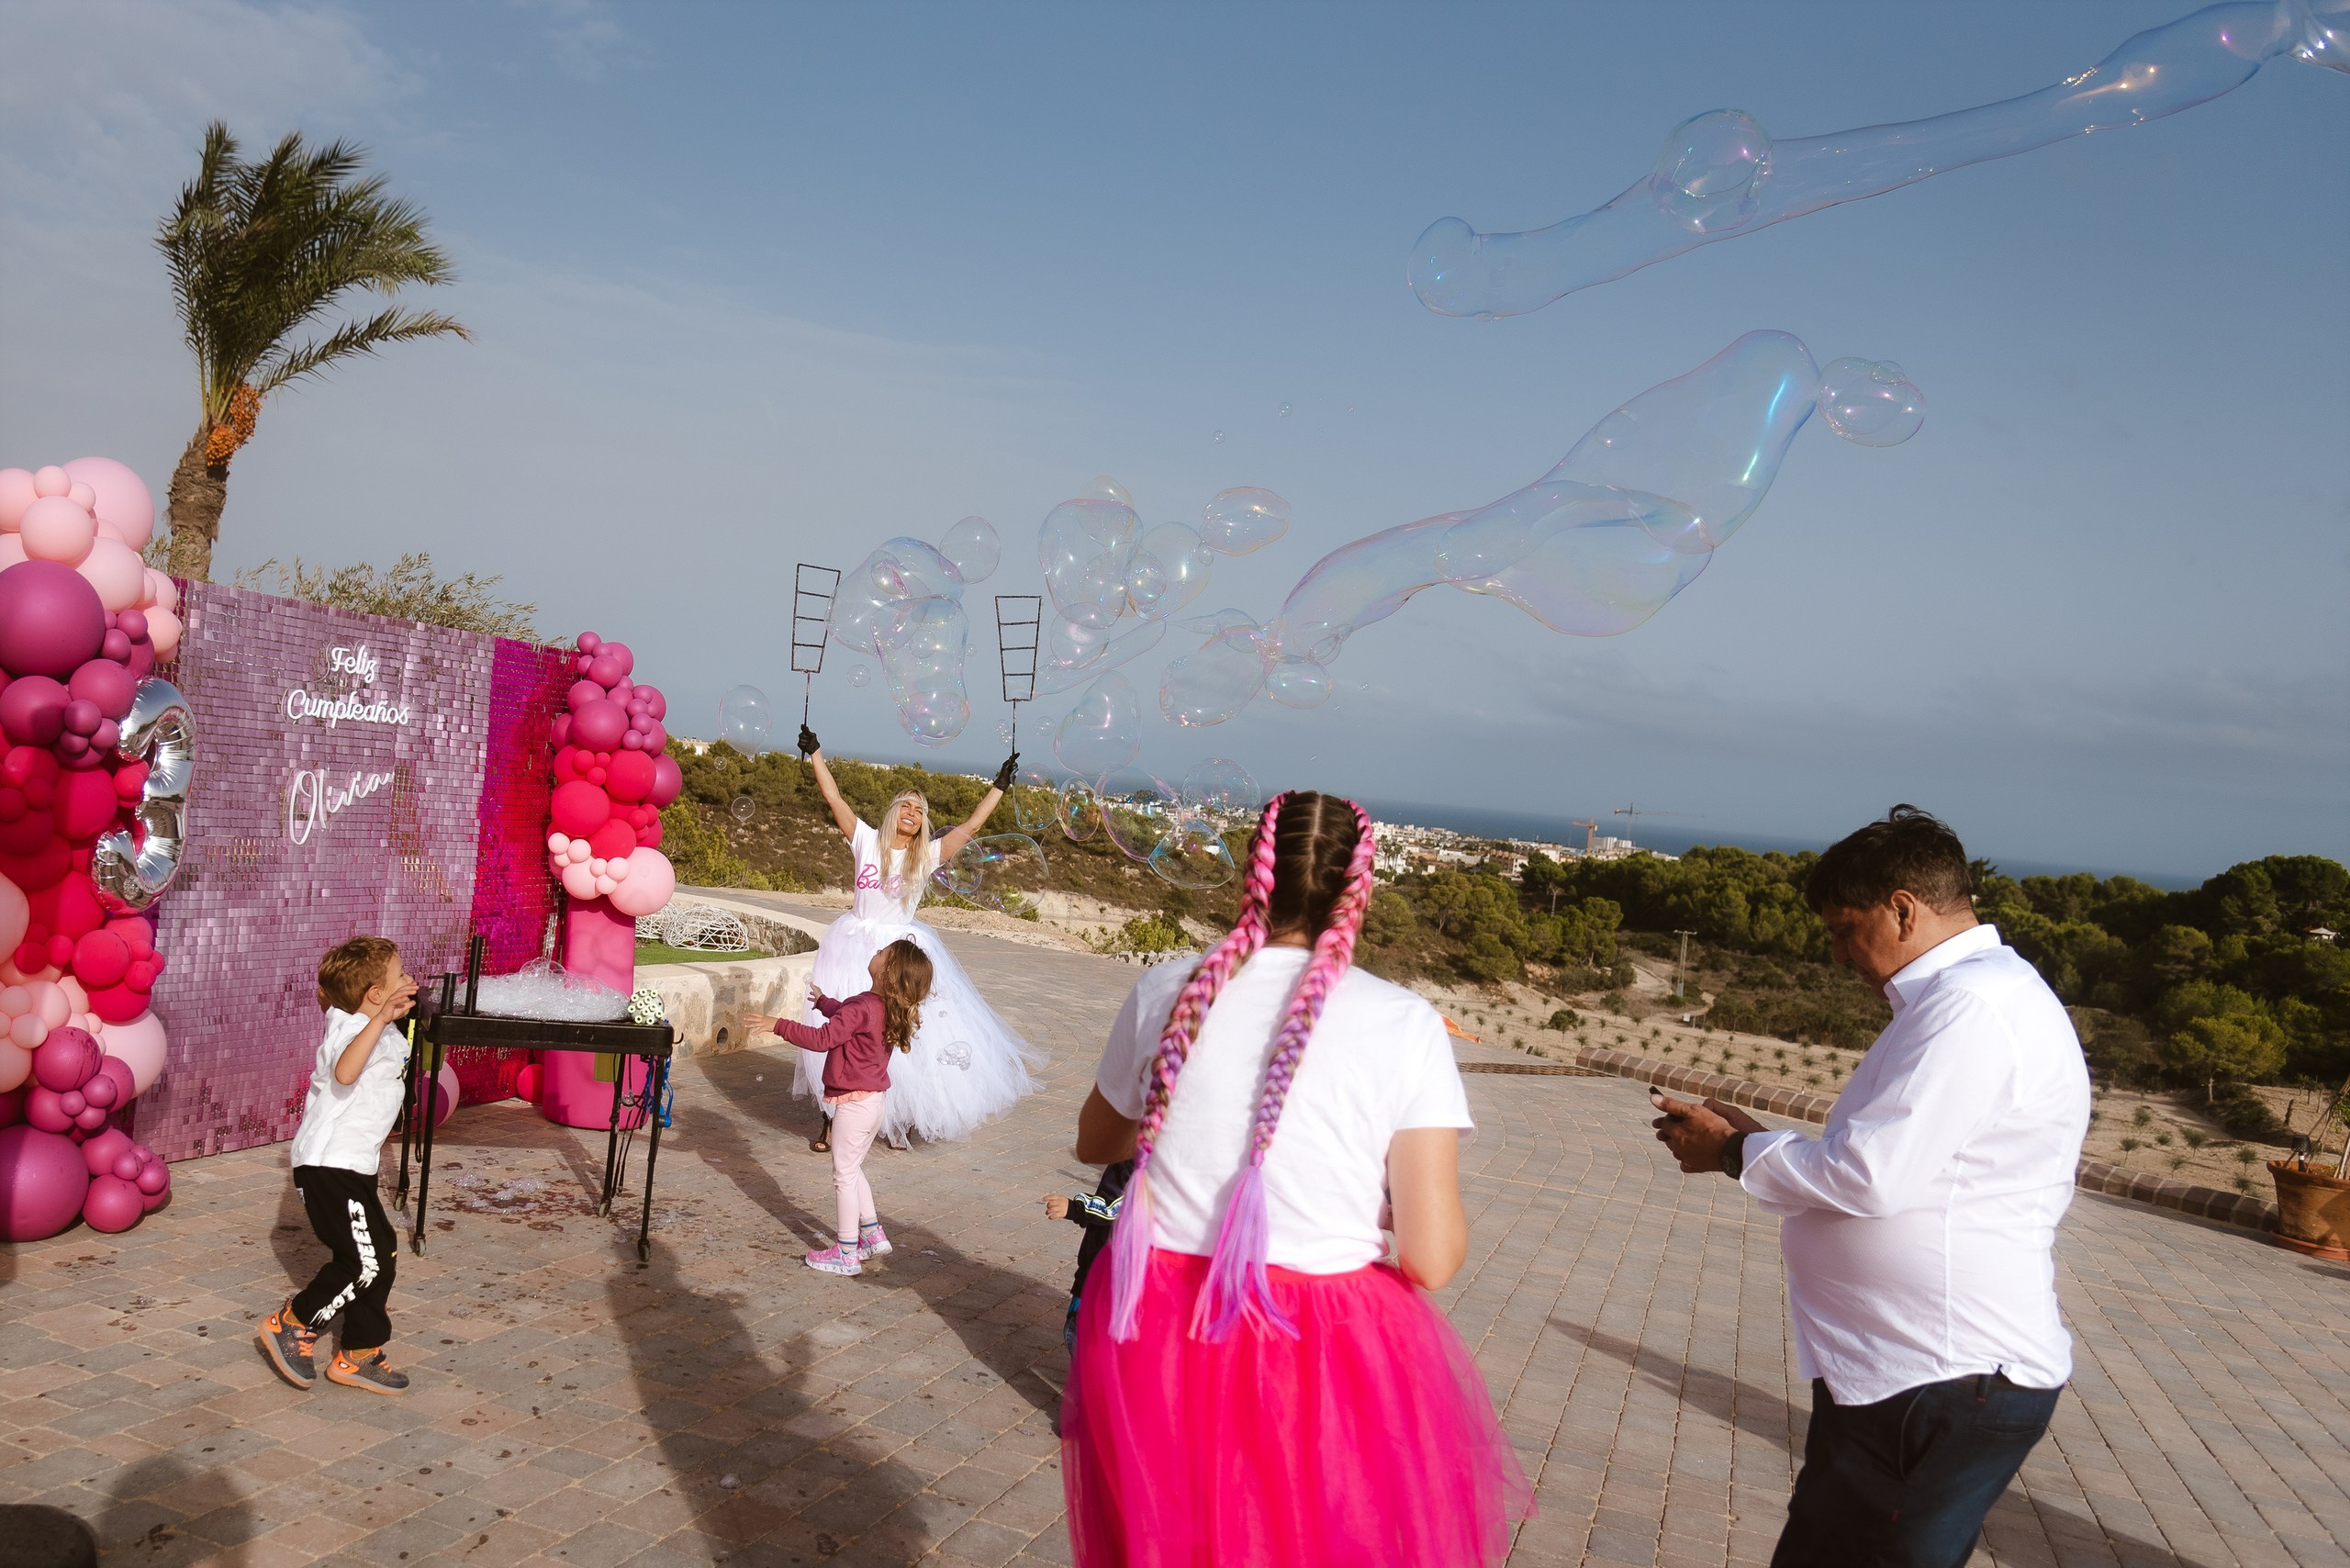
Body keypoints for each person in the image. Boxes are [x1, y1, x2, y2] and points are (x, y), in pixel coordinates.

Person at [1062, 790, 1531, 1568]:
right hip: (1318, 1344)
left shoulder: (1169, 990)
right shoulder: (1405, 1022)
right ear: (1360, 891)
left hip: (1160, 1327)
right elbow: (1432, 1258)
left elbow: (1095, 1141)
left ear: (1254, 874)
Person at [1651, 805, 2089, 1568]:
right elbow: (1896, 1163)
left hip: (1941, 1375)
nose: (1836, 954)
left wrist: (1735, 1152)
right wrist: (1750, 1143)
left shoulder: (1971, 1007)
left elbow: (1870, 1177)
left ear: (1903, 910)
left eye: (1843, 929)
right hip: (1917, 1374)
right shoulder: (1972, 997)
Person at [791, 724, 1040, 1150]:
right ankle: (831, 1119)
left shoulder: (926, 855)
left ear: (923, 822)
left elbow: (972, 825)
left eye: (920, 809)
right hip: (851, 945)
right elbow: (833, 797)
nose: (911, 812)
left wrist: (999, 785)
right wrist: (815, 751)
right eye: (905, 805)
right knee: (837, 1028)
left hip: (900, 953)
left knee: (902, 1034)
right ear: (893, 812)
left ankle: (898, 1117)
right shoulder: (865, 840)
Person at [257, 935, 421, 1395]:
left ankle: (359, 1353)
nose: (409, 979)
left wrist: (391, 1015)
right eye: (400, 974)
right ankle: (294, 1322)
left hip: (352, 1166)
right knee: (364, 1262)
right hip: (329, 1166)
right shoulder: (351, 1029)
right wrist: (382, 1018)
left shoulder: (371, 1024)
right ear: (375, 994)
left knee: (379, 1253)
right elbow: (346, 1072)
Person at [772, 937, 934, 1275]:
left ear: (888, 973)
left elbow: (823, 1039)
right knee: (852, 1167)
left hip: (855, 1105)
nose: (875, 952)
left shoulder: (864, 1006)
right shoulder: (882, 1007)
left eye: (882, 953)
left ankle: (846, 1252)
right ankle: (872, 1234)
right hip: (874, 1103)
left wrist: (778, 1026)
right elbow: (851, 1016)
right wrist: (825, 1003)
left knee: (843, 1175)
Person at [1043, 1158, 1132, 1350]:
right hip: (1117, 1268)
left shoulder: (1134, 1158)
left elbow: (1115, 1207)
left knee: (1078, 1332)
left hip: (1106, 1268)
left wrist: (1073, 1208)